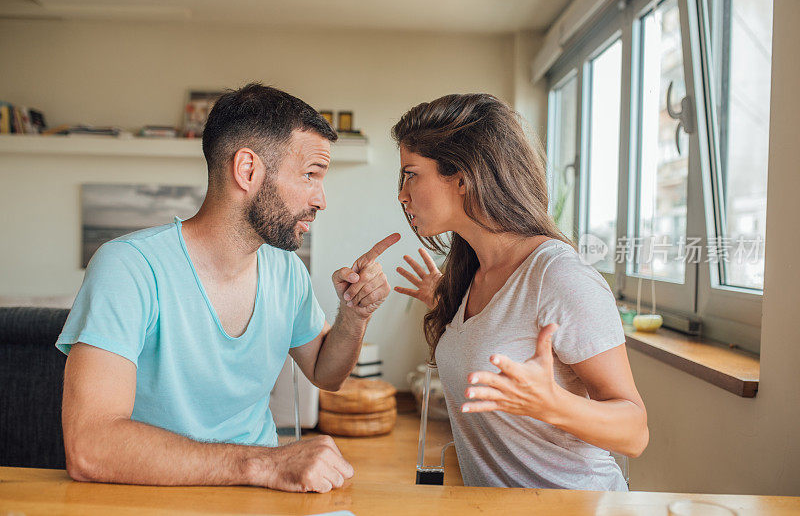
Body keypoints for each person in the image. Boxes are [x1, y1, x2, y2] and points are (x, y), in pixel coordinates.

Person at [57, 83, 400, 493]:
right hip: (152, 495)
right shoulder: (128, 267)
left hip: (264, 496)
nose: (321, 199)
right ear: (248, 170)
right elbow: (89, 447)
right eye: (310, 175)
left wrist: (355, 314)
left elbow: (327, 374)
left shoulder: (287, 270)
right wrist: (265, 464)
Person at [392, 93, 648, 490]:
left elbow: (635, 431)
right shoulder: (471, 274)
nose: (402, 193)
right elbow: (503, 334)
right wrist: (447, 306)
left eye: (411, 174)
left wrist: (553, 404)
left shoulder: (558, 275)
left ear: (462, 176)